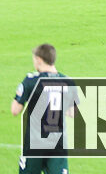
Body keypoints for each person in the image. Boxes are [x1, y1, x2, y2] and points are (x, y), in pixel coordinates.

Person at [11, 43, 73, 174]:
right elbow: (72, 112)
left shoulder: (31, 80)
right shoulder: (67, 81)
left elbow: (15, 111)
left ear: (39, 59)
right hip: (58, 144)